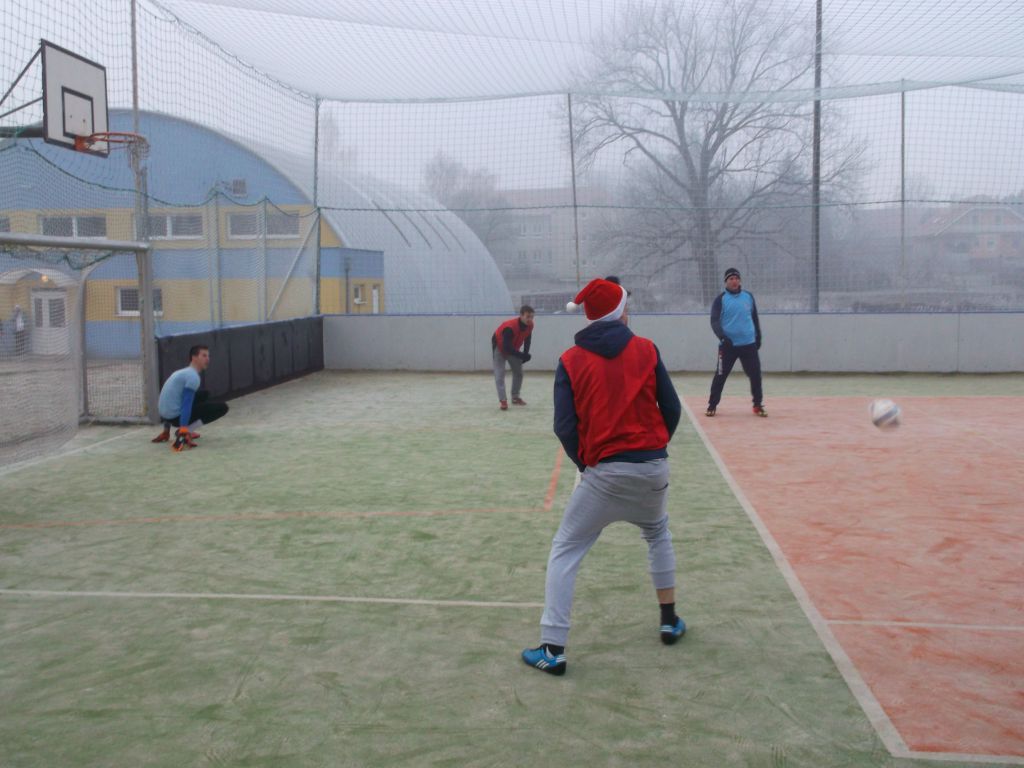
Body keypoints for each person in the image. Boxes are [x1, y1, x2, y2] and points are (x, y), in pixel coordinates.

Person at [521, 278, 684, 676]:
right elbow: (672, 408)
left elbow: (564, 426)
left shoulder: (571, 360)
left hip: (604, 475)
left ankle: (552, 648)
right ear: (619, 312)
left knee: (566, 548)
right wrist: (653, 448)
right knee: (657, 532)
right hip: (652, 468)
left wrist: (586, 463)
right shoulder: (646, 349)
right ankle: (669, 620)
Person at [706, 267, 766, 417]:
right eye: (731, 279)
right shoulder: (720, 300)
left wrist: (758, 336)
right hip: (728, 346)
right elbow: (714, 321)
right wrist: (722, 337)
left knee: (755, 375)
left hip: (748, 344)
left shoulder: (748, 297)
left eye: (737, 278)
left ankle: (757, 405)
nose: (734, 281)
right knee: (720, 375)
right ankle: (712, 405)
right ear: (726, 282)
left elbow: (754, 318)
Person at [152, 344, 229, 450]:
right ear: (194, 358)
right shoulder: (193, 377)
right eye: (204, 355)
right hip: (175, 418)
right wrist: (183, 430)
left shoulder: (182, 372)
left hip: (165, 415)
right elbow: (186, 404)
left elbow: (169, 399)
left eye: (208, 356)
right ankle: (186, 430)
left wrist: (166, 430)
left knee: (204, 394)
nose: (208, 359)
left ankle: (168, 431)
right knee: (223, 407)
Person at [491, 305, 535, 411]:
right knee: (499, 374)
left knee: (518, 372)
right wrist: (521, 355)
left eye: (532, 317)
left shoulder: (530, 325)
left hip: (512, 348)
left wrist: (526, 353)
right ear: (521, 315)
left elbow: (527, 338)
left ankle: (515, 397)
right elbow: (506, 348)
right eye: (527, 317)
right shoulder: (509, 328)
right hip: (499, 347)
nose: (530, 319)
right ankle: (503, 401)